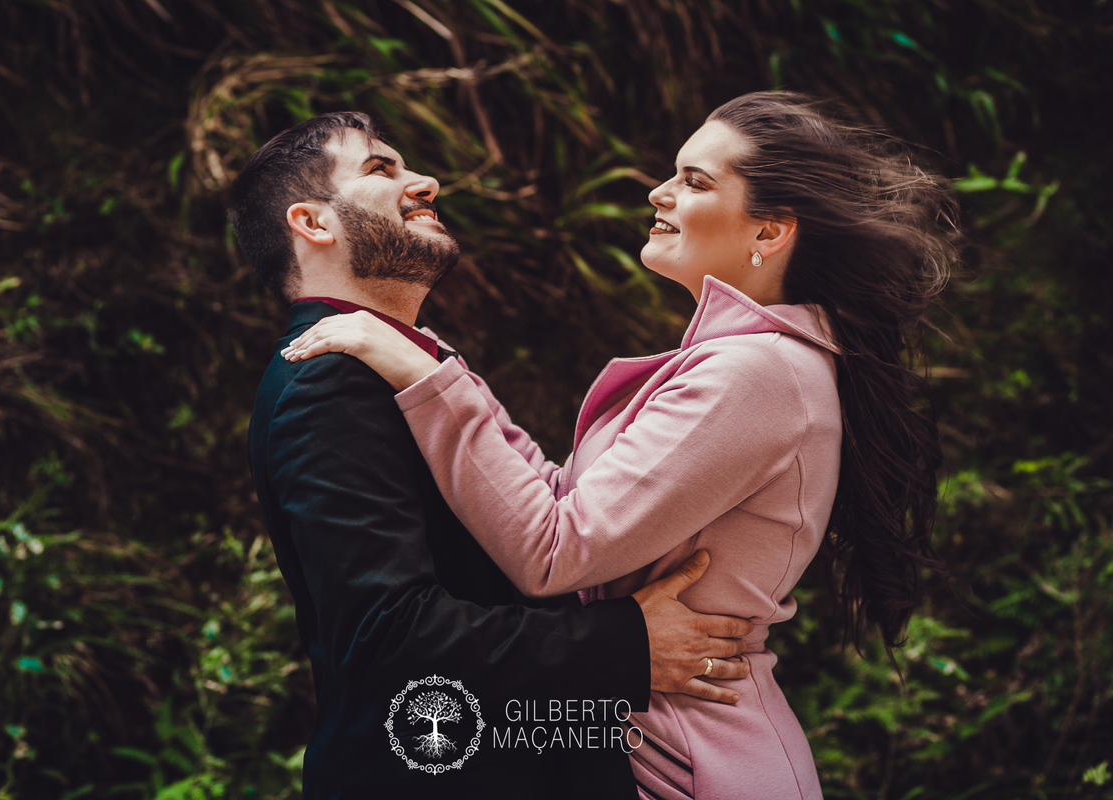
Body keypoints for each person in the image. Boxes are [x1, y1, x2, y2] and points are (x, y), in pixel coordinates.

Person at [285, 92, 956, 800]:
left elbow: (554, 549)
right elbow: (559, 499)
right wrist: (431, 363)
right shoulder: (745, 363)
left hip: (695, 763)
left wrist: (424, 373)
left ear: (769, 232)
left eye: (695, 181)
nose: (659, 192)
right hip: (645, 741)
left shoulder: (755, 373)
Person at [230, 111, 756, 800]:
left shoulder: (396, 364)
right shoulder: (328, 379)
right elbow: (386, 639)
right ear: (313, 224)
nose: (427, 182)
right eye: (381, 169)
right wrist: (627, 644)